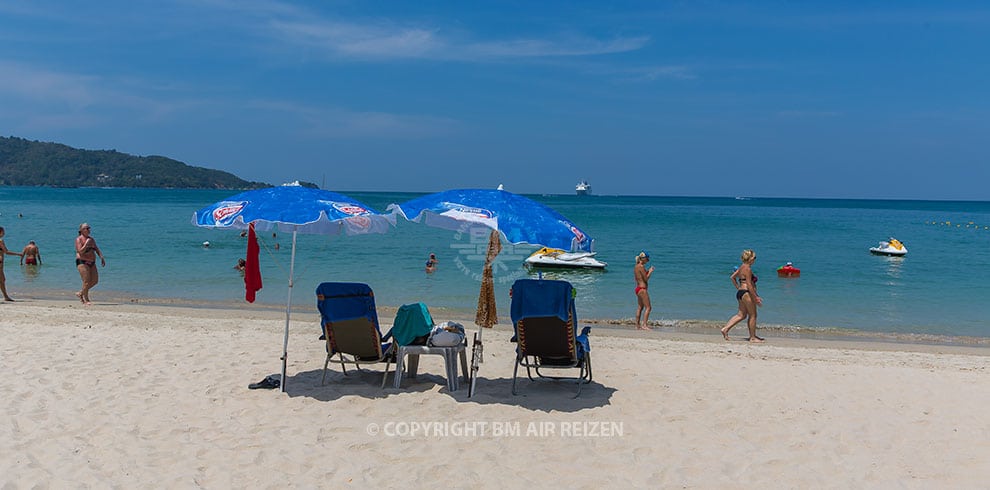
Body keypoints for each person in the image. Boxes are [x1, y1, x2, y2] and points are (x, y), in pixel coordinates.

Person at [721, 249, 764, 342]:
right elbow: (749, 284)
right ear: (749, 258)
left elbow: (732, 277)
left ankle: (725, 329)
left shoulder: (741, 267)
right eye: (754, 258)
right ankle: (752, 337)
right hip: (746, 293)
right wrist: (756, 297)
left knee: (741, 315)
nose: (754, 260)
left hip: (741, 293)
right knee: (753, 315)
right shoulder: (747, 269)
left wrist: (738, 287)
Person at [74, 223, 106, 305]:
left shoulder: (91, 239)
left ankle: (81, 293)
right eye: (86, 228)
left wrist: (101, 257)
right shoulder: (79, 239)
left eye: (89, 228)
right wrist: (86, 244)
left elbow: (96, 249)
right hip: (82, 261)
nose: (88, 230)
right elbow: (80, 251)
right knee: (86, 281)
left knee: (95, 281)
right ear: (81, 230)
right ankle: (86, 300)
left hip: (92, 262)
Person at [0, 227, 24, 301]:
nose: (4, 233)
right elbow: (6, 252)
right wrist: (18, 254)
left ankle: (6, 296)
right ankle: (6, 297)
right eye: (3, 231)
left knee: (2, 280)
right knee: (2, 279)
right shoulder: (0, 241)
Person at [634, 251, 654, 330]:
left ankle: (637, 325)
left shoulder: (636, 266)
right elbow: (646, 279)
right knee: (648, 307)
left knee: (640, 307)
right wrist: (650, 271)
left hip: (638, 289)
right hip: (642, 289)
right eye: (647, 259)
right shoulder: (641, 267)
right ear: (644, 259)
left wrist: (648, 271)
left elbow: (640, 277)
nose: (648, 260)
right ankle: (644, 325)